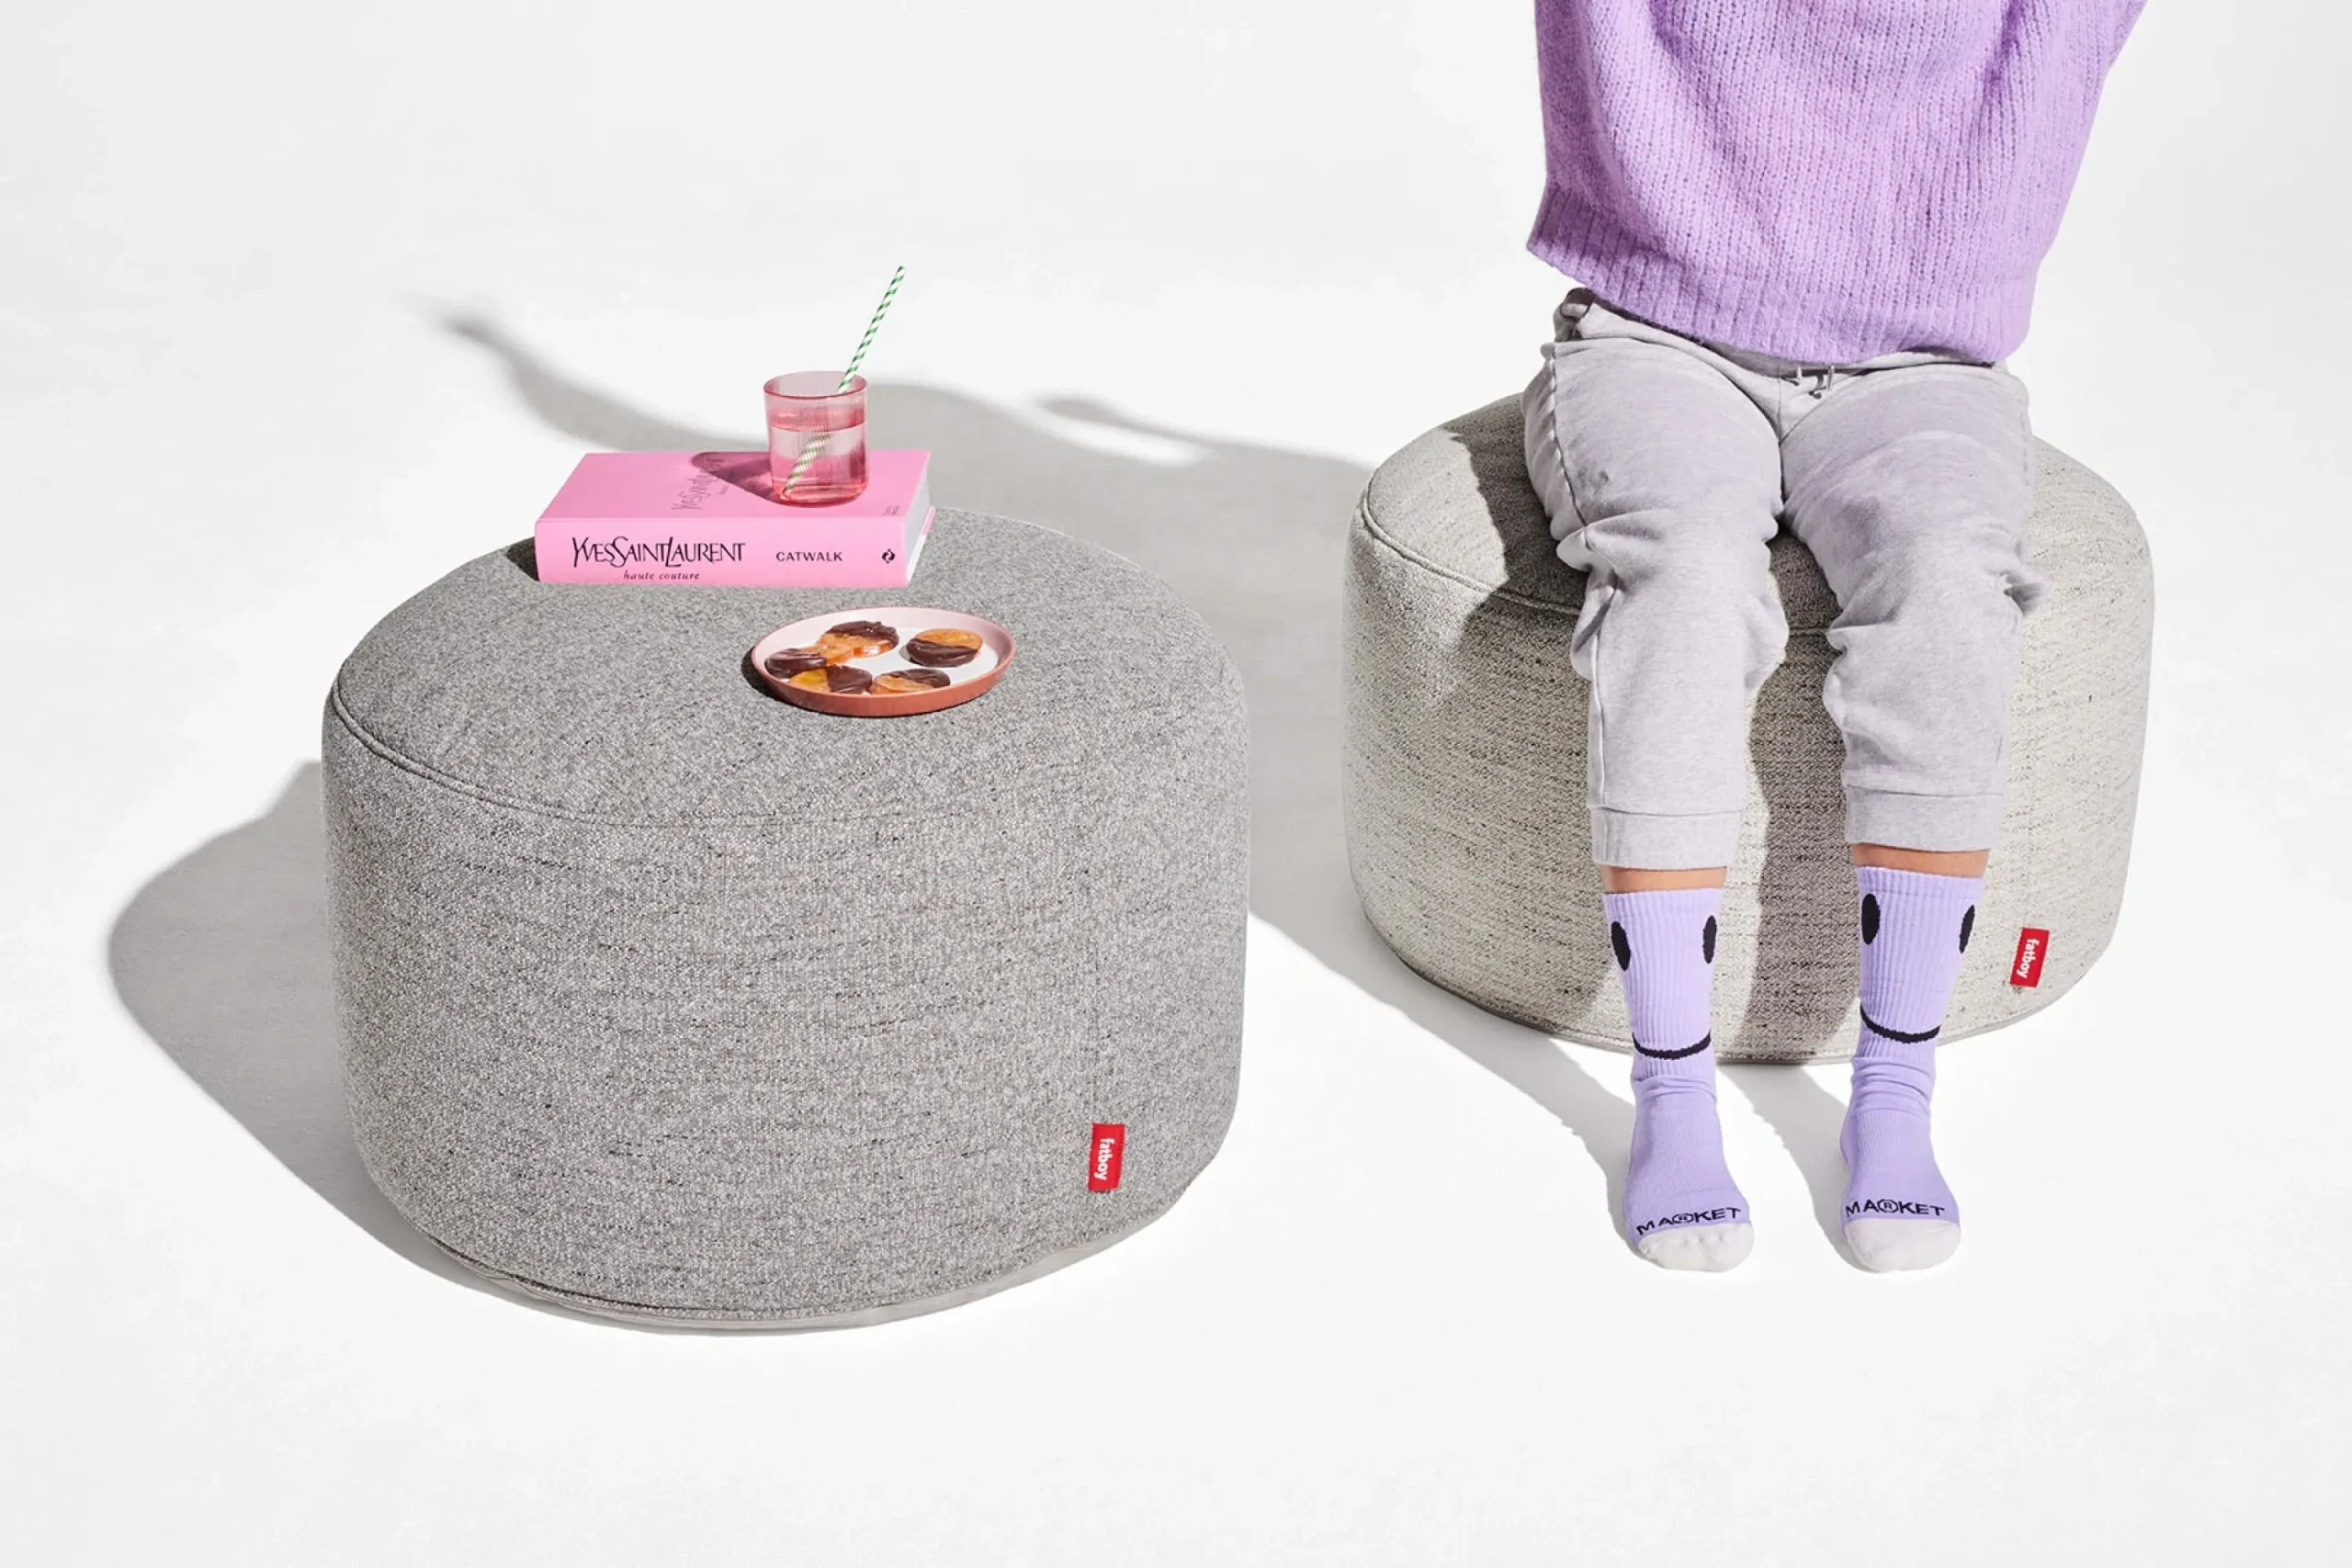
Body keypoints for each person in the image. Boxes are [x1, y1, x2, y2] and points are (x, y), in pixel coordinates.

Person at [1520, 2, 2147, 1271]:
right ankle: (1672, 1089)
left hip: (1927, 371)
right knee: (1687, 576)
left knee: (1950, 582)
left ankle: (1897, 1091)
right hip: (1655, 342)